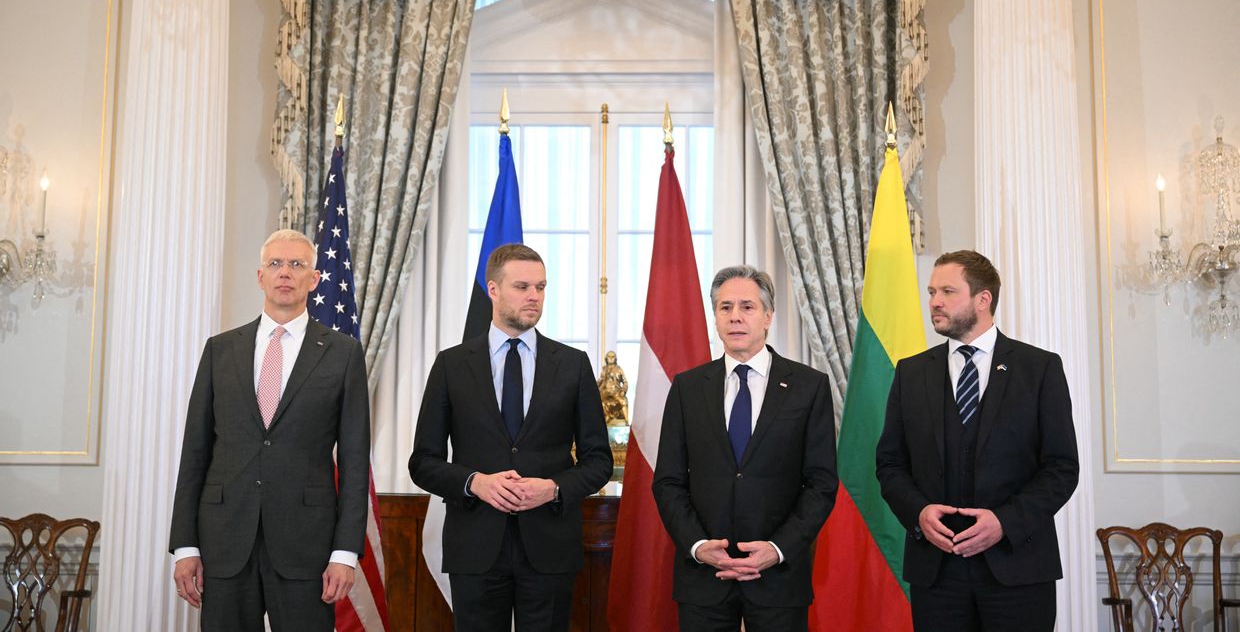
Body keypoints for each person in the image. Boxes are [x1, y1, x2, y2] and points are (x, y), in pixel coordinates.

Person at [169, 229, 370, 631]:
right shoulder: (219, 350)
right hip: (225, 541)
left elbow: (354, 461)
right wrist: (185, 545)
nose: (285, 273)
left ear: (313, 280)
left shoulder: (343, 353)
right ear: (260, 276)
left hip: (306, 546)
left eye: (297, 265)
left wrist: (345, 552)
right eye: (276, 263)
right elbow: (195, 453)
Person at [409, 243, 612, 631]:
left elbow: (599, 460)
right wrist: (475, 483)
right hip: (475, 546)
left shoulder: (572, 365)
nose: (534, 296)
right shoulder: (451, 365)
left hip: (550, 546)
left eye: (541, 287)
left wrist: (552, 488)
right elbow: (423, 462)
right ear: (494, 289)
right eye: (522, 286)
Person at [875, 250, 1079, 632]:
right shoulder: (911, 373)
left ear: (983, 299)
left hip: (1018, 569)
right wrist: (918, 513)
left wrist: (1004, 522)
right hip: (936, 575)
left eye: (948, 291)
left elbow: (1062, 468)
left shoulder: (1039, 369)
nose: (934, 301)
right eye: (932, 291)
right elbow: (890, 464)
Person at [652, 265, 838, 632]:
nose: (735, 316)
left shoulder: (808, 386)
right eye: (725, 307)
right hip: (704, 578)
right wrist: (698, 545)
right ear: (716, 317)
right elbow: (668, 481)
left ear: (768, 316)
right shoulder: (687, 388)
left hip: (779, 578)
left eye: (747, 307)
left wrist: (778, 548)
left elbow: (821, 484)